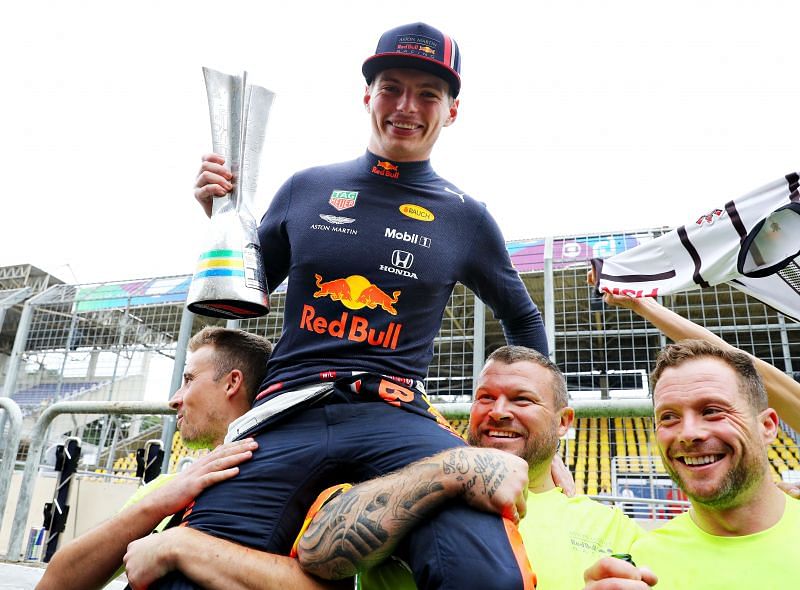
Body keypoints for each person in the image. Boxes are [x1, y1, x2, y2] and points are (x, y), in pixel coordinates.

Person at [168, 22, 547, 590]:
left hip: (397, 416)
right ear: (366, 95)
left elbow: (524, 317)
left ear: (452, 110)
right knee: (188, 566)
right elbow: (241, 299)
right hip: (287, 410)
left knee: (484, 573)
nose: (406, 106)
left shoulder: (466, 216)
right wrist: (222, 222)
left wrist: (542, 418)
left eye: (428, 94)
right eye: (391, 87)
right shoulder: (307, 187)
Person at [296, 346, 642, 589]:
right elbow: (317, 553)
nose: (499, 411)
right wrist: (448, 471)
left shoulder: (614, 528)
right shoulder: (413, 479)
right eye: (485, 397)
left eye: (522, 399)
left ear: (564, 422)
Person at [36, 327, 343, 590]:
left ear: (231, 383)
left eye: (188, 379)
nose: (174, 399)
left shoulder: (311, 482)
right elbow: (55, 584)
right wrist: (157, 504)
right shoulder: (170, 487)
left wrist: (182, 546)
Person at [583, 340, 800, 589]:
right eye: (669, 417)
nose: (688, 433)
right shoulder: (642, 567)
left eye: (711, 411)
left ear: (767, 427)